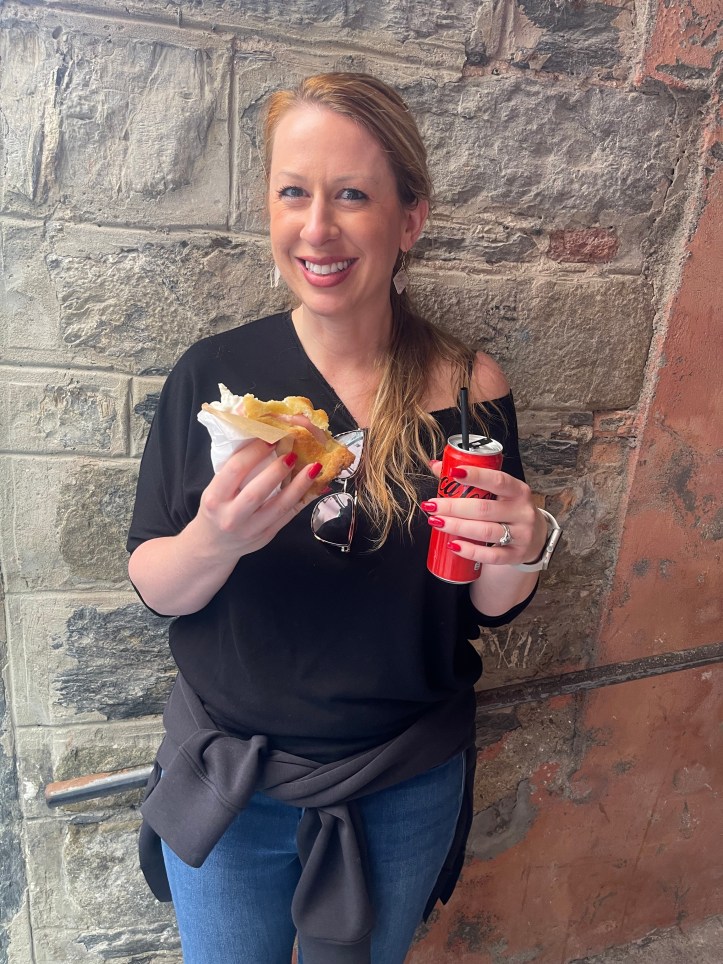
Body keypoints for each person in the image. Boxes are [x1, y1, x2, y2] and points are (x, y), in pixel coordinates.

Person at [126, 72, 560, 964]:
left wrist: (526, 546)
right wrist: (216, 540)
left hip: (403, 781)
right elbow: (156, 586)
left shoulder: (468, 387)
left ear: (410, 219)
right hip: (231, 781)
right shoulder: (215, 378)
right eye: (294, 192)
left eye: (352, 195)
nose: (316, 228)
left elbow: (488, 604)